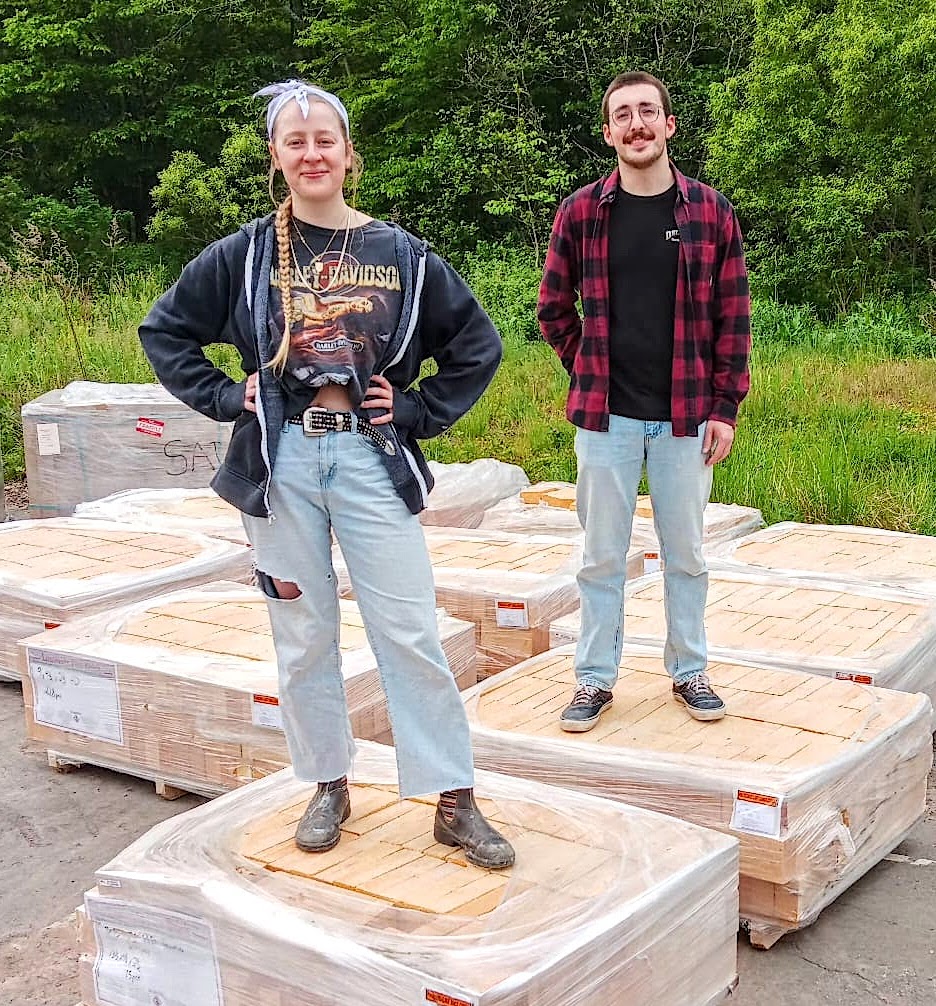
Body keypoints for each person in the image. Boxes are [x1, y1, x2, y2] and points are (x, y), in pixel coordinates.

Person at [139, 79, 515, 869]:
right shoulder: (243, 253)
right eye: (295, 141)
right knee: (303, 633)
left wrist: (414, 410)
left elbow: (477, 345)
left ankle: (453, 798)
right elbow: (166, 329)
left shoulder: (401, 254)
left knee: (409, 629)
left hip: (369, 460)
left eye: (325, 140)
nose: (312, 153)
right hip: (281, 466)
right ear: (276, 157)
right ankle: (327, 783)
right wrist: (221, 393)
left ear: (349, 153)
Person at [537, 70, 751, 731]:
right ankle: (595, 680)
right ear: (608, 133)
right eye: (623, 114)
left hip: (687, 420)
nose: (637, 124)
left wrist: (725, 406)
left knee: (685, 553)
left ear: (668, 126)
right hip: (608, 421)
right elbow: (552, 309)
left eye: (648, 112)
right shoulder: (579, 213)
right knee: (601, 556)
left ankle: (689, 671)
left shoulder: (711, 213)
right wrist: (588, 367)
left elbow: (734, 318)